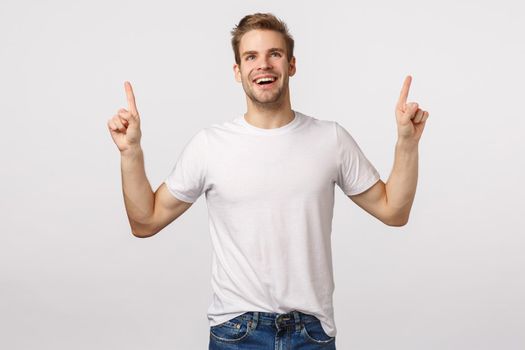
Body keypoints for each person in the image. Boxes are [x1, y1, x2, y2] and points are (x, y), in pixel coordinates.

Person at [107, 12, 429, 350]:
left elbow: (394, 211)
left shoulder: (330, 139)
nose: (263, 64)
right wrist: (131, 152)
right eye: (251, 56)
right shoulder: (209, 145)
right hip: (237, 332)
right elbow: (145, 222)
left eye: (274, 54)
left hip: (312, 333)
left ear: (291, 65)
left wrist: (407, 143)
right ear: (237, 71)